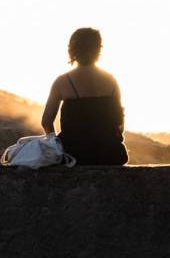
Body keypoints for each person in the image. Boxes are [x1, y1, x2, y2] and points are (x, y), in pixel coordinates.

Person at [41, 27, 128, 165]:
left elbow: (46, 122)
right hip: (111, 155)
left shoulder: (62, 82)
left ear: (72, 49)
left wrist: (57, 147)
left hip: (74, 155)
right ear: (98, 49)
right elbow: (119, 122)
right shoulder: (111, 80)